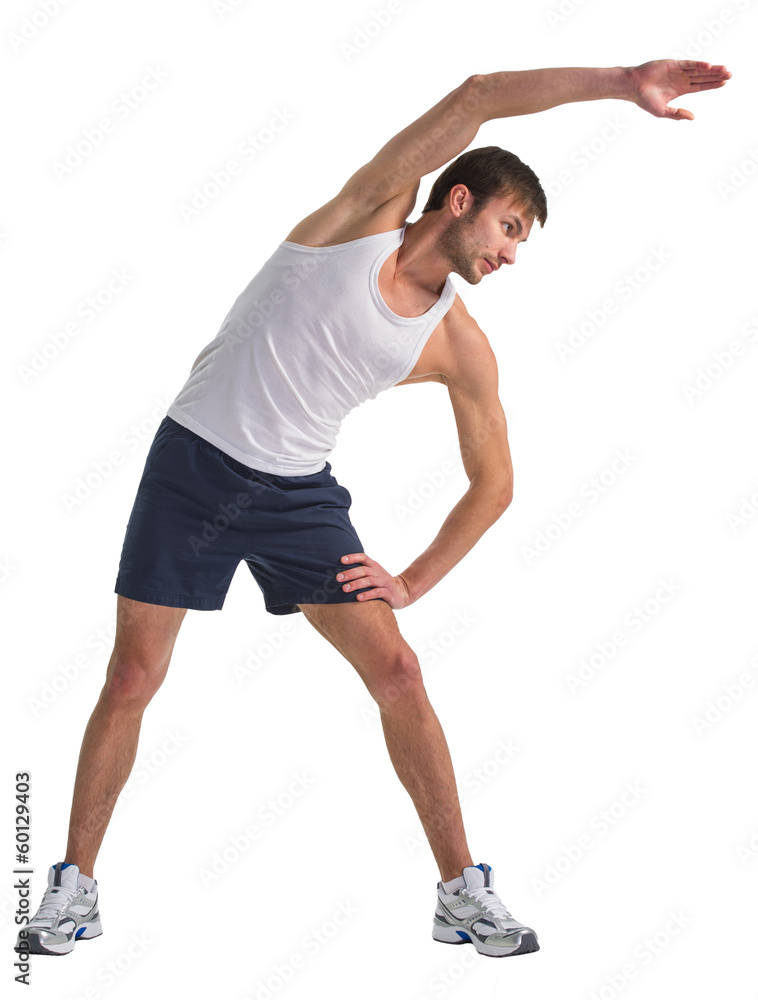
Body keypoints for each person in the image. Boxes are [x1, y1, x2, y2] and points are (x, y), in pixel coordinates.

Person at [17, 58, 730, 961]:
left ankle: (462, 894)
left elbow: (495, 485)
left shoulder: (458, 344)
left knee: (399, 672)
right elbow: (478, 96)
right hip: (193, 467)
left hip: (297, 495)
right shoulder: (361, 220)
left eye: (523, 242)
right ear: (460, 200)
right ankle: (73, 890)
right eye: (510, 227)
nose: (512, 254)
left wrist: (414, 581)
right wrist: (625, 82)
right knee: (132, 679)